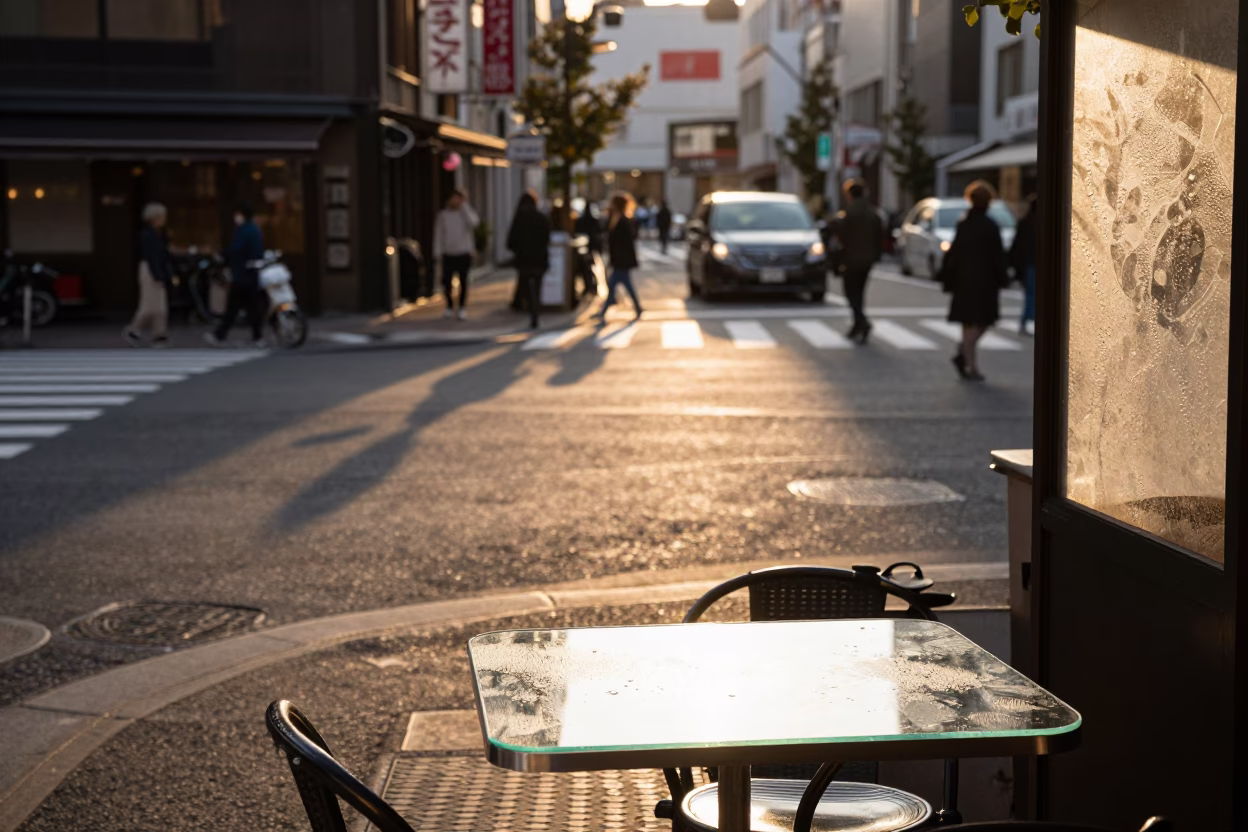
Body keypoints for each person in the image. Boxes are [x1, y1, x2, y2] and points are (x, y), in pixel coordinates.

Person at [939, 180, 1009, 381]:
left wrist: (948, 277)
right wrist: (1003, 277)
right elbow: (998, 256)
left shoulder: (964, 224)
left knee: (968, 322)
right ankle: (967, 357)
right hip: (985, 281)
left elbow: (954, 253)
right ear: (988, 201)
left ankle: (969, 361)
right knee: (984, 320)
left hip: (963, 280)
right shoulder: (990, 226)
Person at [205, 203, 267, 347]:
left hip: (242, 274)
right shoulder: (255, 229)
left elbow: (236, 249)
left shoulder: (244, 230)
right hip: (252, 273)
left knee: (234, 307)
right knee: (253, 307)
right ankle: (257, 336)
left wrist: (223, 256)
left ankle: (220, 335)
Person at [830, 180, 883, 344]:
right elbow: (880, 235)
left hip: (851, 259)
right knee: (859, 292)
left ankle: (861, 322)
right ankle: (858, 323)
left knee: (851, 293)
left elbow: (840, 237)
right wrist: (876, 254)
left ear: (849, 194)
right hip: (867, 259)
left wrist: (836, 261)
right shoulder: (872, 212)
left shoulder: (848, 213)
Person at [125, 202, 174, 347]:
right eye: (161, 216)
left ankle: (159, 334)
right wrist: (158, 275)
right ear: (155, 217)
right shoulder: (147, 235)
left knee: (160, 306)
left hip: (157, 269)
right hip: (149, 270)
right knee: (148, 306)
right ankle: (133, 329)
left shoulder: (160, 233)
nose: (164, 219)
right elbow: (151, 256)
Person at [507, 190, 551, 330]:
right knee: (537, 287)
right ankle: (535, 310)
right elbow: (547, 237)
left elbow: (510, 242)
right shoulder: (541, 218)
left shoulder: (519, 219)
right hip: (539, 259)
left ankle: (527, 307)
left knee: (526, 284)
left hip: (524, 260)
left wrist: (520, 250)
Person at [596, 192, 643, 321]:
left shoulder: (623, 221)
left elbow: (624, 242)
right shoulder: (618, 219)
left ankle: (605, 310)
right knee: (622, 284)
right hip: (620, 259)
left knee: (613, 284)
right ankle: (636, 307)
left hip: (621, 259)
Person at [433, 188, 479, 320]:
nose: (455, 201)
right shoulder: (443, 215)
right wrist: (437, 252)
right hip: (448, 253)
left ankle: (462, 307)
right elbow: (439, 235)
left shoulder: (465, 214)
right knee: (446, 281)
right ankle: (449, 306)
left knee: (464, 281)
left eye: (457, 198)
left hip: (464, 252)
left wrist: (464, 206)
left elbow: (474, 223)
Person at [1011, 194, 1037, 336]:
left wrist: (1015, 267)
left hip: (1028, 264)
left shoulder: (1024, 223)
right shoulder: (1048, 223)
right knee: (1035, 295)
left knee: (1030, 295)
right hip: (1034, 264)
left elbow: (1017, 246)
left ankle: (1024, 322)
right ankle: (1028, 320)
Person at [574, 202, 604, 300]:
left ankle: (590, 286)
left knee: (587, 268)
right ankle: (591, 286)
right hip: (590, 247)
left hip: (586, 248)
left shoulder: (582, 220)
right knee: (589, 267)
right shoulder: (592, 220)